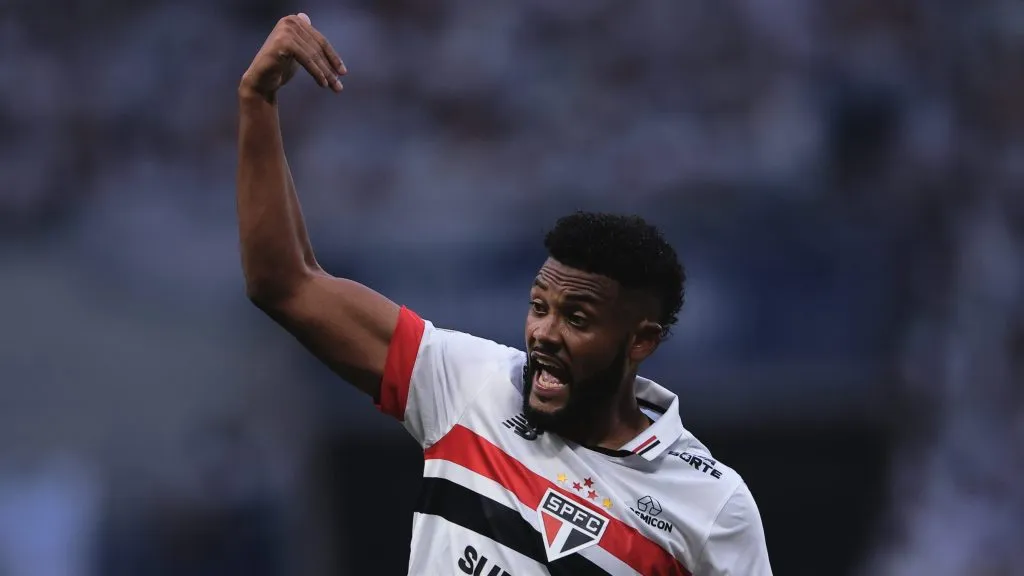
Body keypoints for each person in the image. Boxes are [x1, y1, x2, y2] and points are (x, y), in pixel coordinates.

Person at [237, 13, 772, 576]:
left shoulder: (712, 507)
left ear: (641, 340)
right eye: (539, 306)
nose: (544, 332)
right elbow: (285, 283)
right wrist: (258, 100)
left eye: (578, 318)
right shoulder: (469, 384)